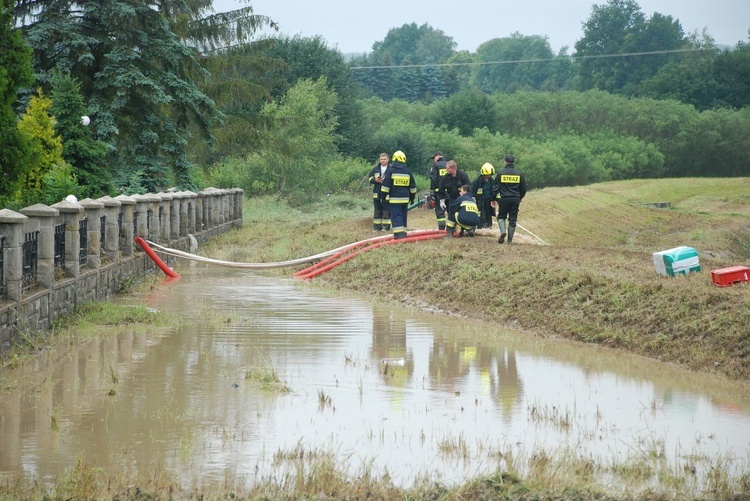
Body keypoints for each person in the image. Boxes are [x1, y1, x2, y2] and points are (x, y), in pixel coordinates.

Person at [379, 150, 417, 239]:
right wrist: (412, 198)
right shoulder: (408, 171)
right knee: (403, 216)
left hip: (395, 199)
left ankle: (399, 236)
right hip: (405, 200)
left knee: (396, 216)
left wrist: (383, 197)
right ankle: (404, 234)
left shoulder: (391, 171)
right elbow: (413, 187)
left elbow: (385, 186)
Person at [493, 154, 527, 245]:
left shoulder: (501, 173)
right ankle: (510, 241)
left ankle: (503, 231)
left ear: (505, 162)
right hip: (515, 199)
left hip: (504, 199)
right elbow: (523, 189)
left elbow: (495, 188)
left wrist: (493, 198)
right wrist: (520, 197)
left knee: (501, 216)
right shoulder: (519, 174)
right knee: (512, 219)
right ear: (513, 162)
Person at [368, 152, 391, 231]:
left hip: (387, 194)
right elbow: (370, 178)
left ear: (388, 159)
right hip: (377, 193)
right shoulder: (375, 169)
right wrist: (375, 180)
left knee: (386, 211)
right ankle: (377, 228)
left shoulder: (391, 169)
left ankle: (386, 227)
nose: (383, 160)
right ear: (379, 159)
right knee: (377, 210)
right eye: (381, 159)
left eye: (384, 159)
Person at [471, 162, 495, 229]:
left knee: (489, 214)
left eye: (489, 174)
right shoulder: (477, 182)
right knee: (481, 215)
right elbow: (472, 192)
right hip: (480, 201)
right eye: (487, 174)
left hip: (489, 201)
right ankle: (480, 227)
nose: (488, 176)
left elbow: (494, 191)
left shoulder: (492, 181)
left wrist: (494, 199)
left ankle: (489, 226)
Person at [428, 151, 448, 230]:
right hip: (450, 192)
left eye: (434, 158)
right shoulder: (449, 164)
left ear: (438, 156)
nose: (434, 160)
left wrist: (432, 190)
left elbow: (433, 178)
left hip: (439, 192)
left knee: (440, 210)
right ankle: (452, 228)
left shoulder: (435, 165)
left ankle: (442, 228)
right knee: (451, 210)